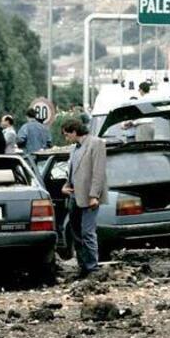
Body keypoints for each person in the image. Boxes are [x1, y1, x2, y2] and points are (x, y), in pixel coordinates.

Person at [61, 118, 108, 278]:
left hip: (89, 196)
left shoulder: (96, 143)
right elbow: (72, 170)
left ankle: (93, 268)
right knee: (76, 233)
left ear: (74, 132)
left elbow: (98, 172)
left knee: (88, 232)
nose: (67, 139)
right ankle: (83, 267)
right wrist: (66, 185)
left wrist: (94, 195)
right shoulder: (74, 149)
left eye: (67, 135)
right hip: (75, 195)